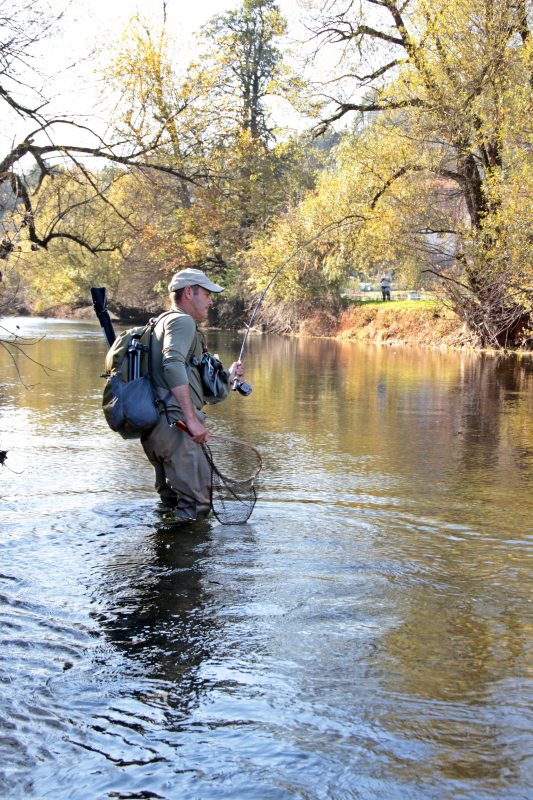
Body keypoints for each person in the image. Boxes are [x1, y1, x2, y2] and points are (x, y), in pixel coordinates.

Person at [141, 267, 244, 522]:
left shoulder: (161, 322)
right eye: (207, 294)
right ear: (189, 292)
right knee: (197, 506)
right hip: (177, 426)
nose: (211, 301)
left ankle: (164, 557)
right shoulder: (183, 322)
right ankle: (187, 560)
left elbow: (184, 375)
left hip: (156, 426)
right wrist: (191, 419)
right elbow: (172, 363)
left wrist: (228, 377)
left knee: (172, 502)